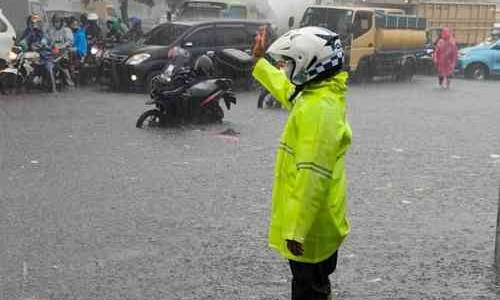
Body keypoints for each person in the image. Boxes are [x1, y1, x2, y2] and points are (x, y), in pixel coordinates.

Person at [252, 26, 352, 300]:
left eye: (291, 63)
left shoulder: (318, 111)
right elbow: (288, 92)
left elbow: (312, 175)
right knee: (315, 286)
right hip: (317, 221)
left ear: (311, 64)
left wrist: (297, 230)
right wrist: (261, 63)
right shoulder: (318, 95)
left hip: (311, 227)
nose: (286, 68)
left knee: (309, 290)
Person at [20, 14, 57, 93]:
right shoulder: (31, 32)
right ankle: (25, 86)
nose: (34, 25)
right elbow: (24, 40)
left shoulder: (46, 33)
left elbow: (51, 45)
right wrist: (22, 44)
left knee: (49, 69)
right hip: (34, 56)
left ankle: (54, 89)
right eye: (33, 23)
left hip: (46, 56)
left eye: (36, 23)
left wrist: (43, 45)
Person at [48, 14, 75, 87]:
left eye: (58, 21)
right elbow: (49, 41)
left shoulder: (66, 30)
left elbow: (70, 42)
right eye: (55, 22)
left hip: (64, 51)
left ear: (61, 22)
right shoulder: (51, 31)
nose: (56, 23)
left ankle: (69, 81)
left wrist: (61, 46)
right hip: (53, 52)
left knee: (62, 65)